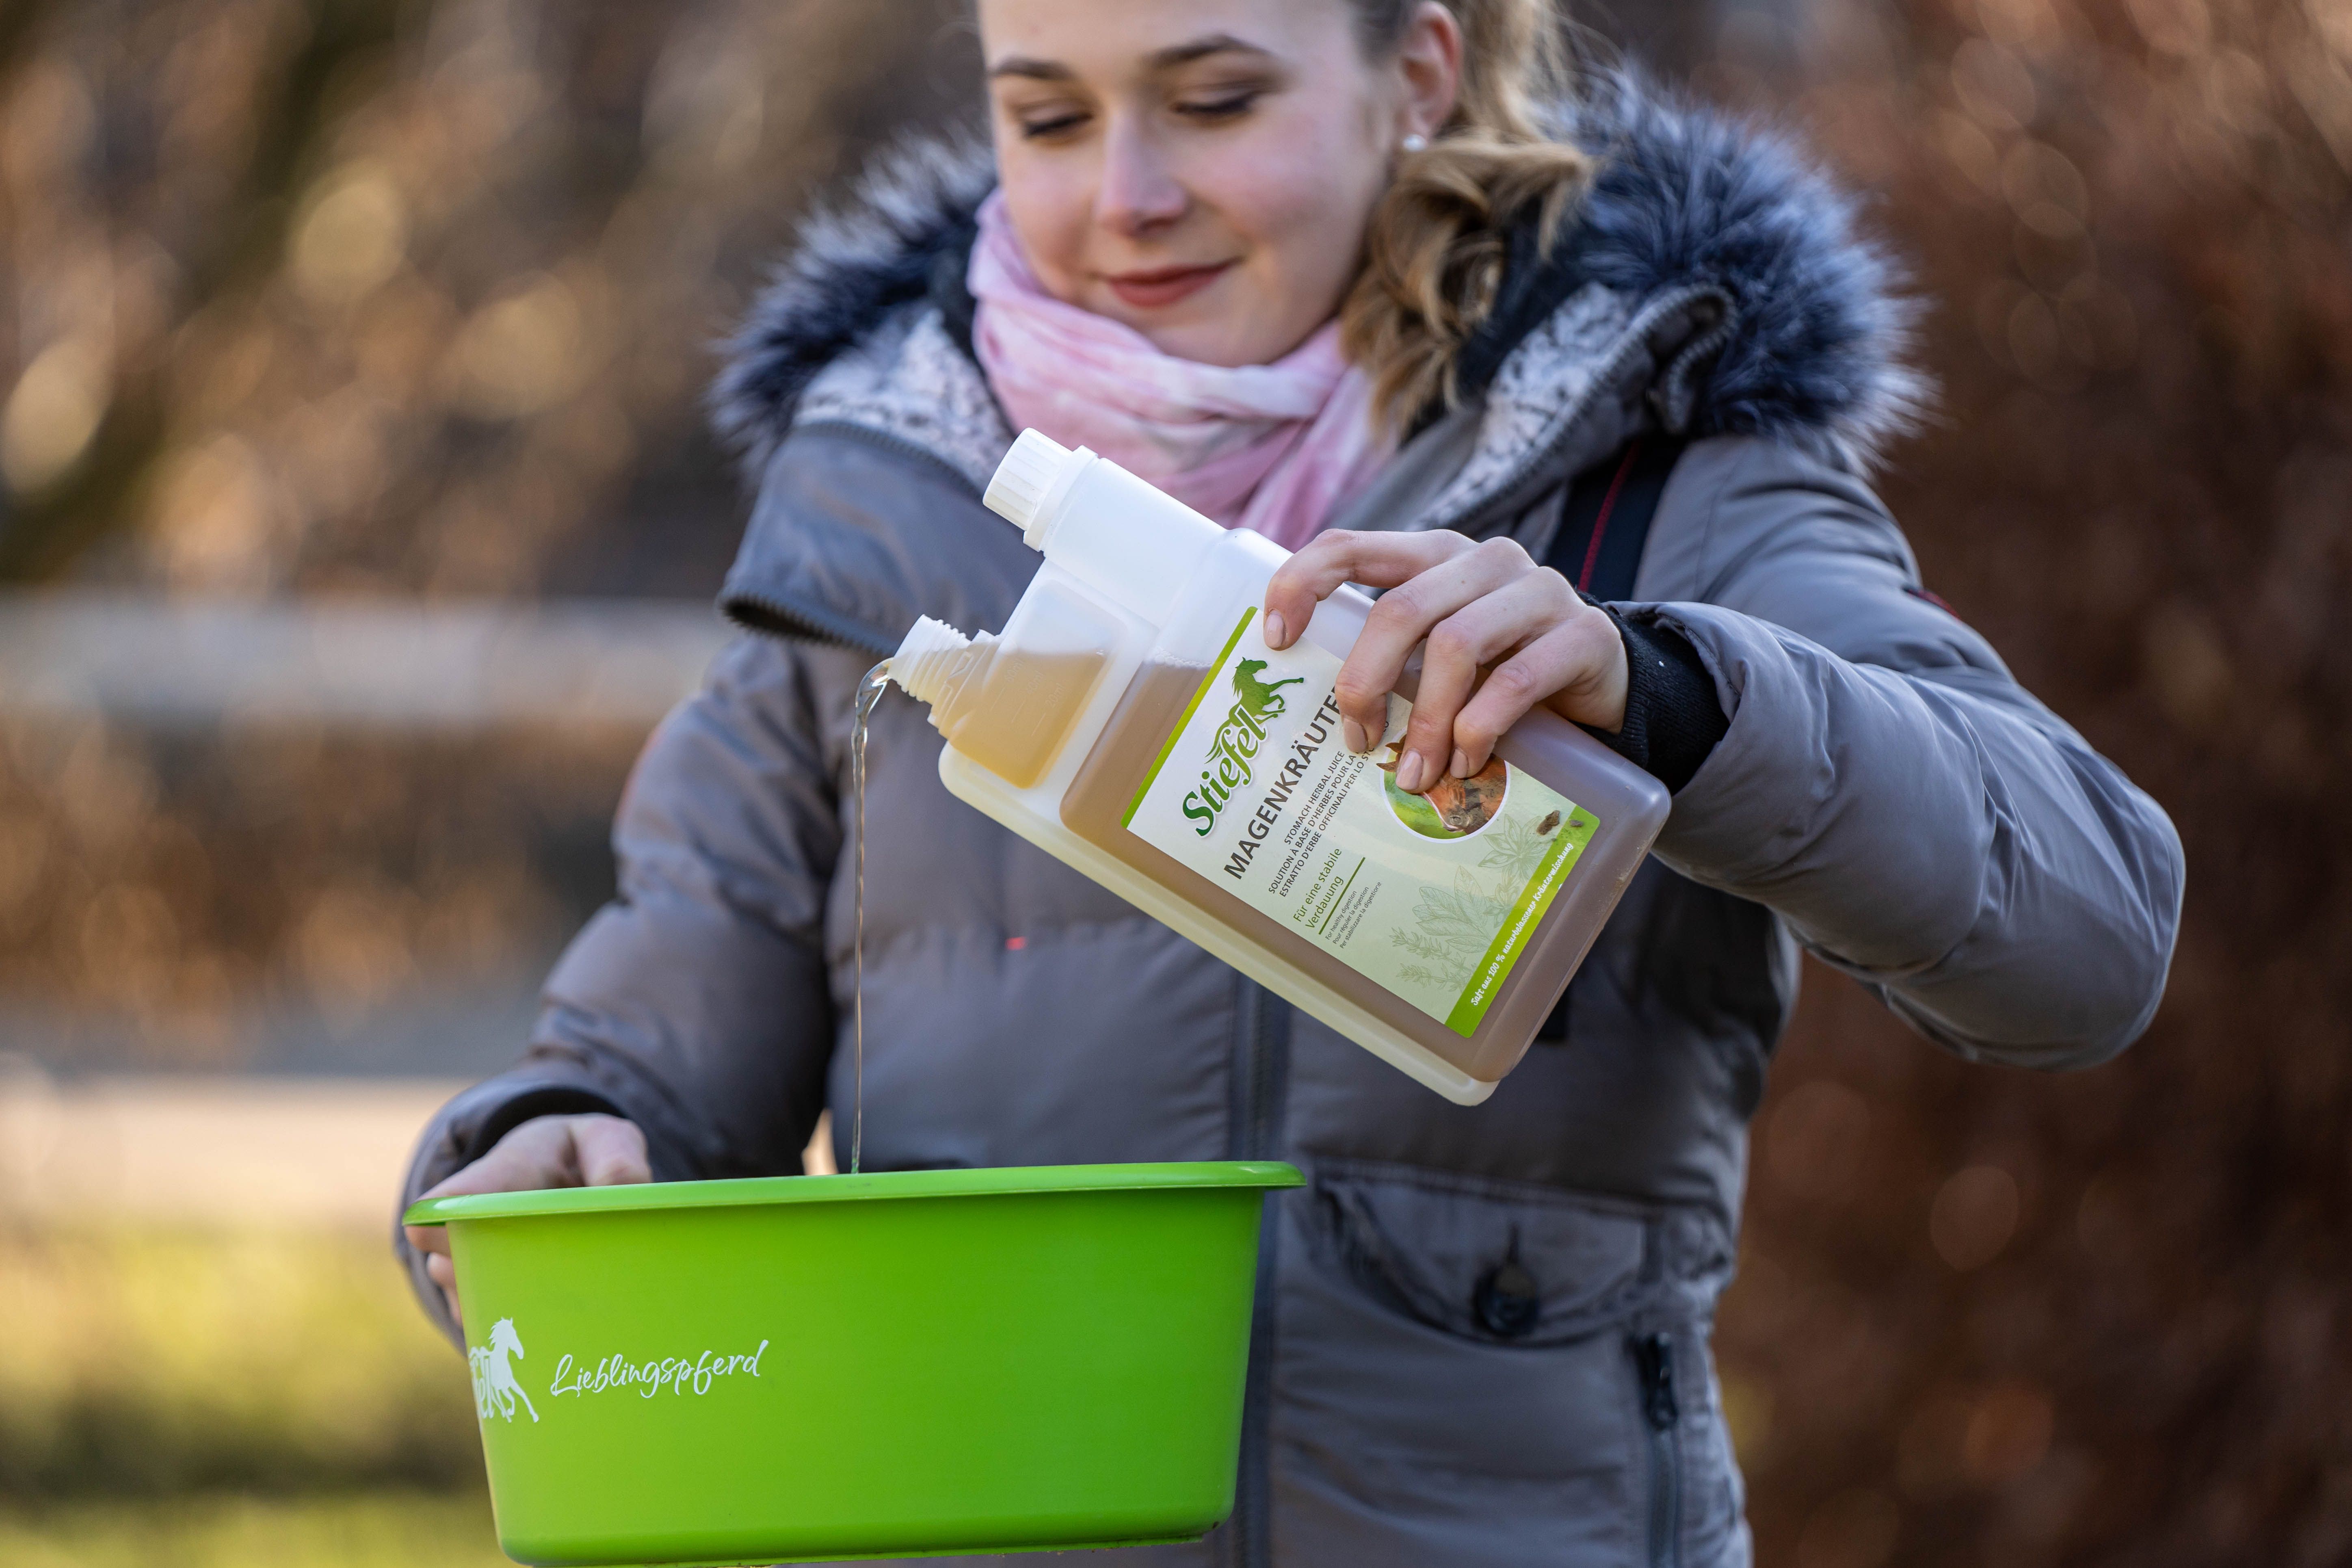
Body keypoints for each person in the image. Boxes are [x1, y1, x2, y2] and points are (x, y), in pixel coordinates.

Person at [396, 2, 2184, 1563]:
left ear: (1412, 70)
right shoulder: (882, 524)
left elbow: (2088, 930)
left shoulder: (1661, 484)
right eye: (1048, 113)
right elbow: (639, 1072)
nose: (1124, 194)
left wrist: (1665, 690)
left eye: (1215, 97)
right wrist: (542, 1152)